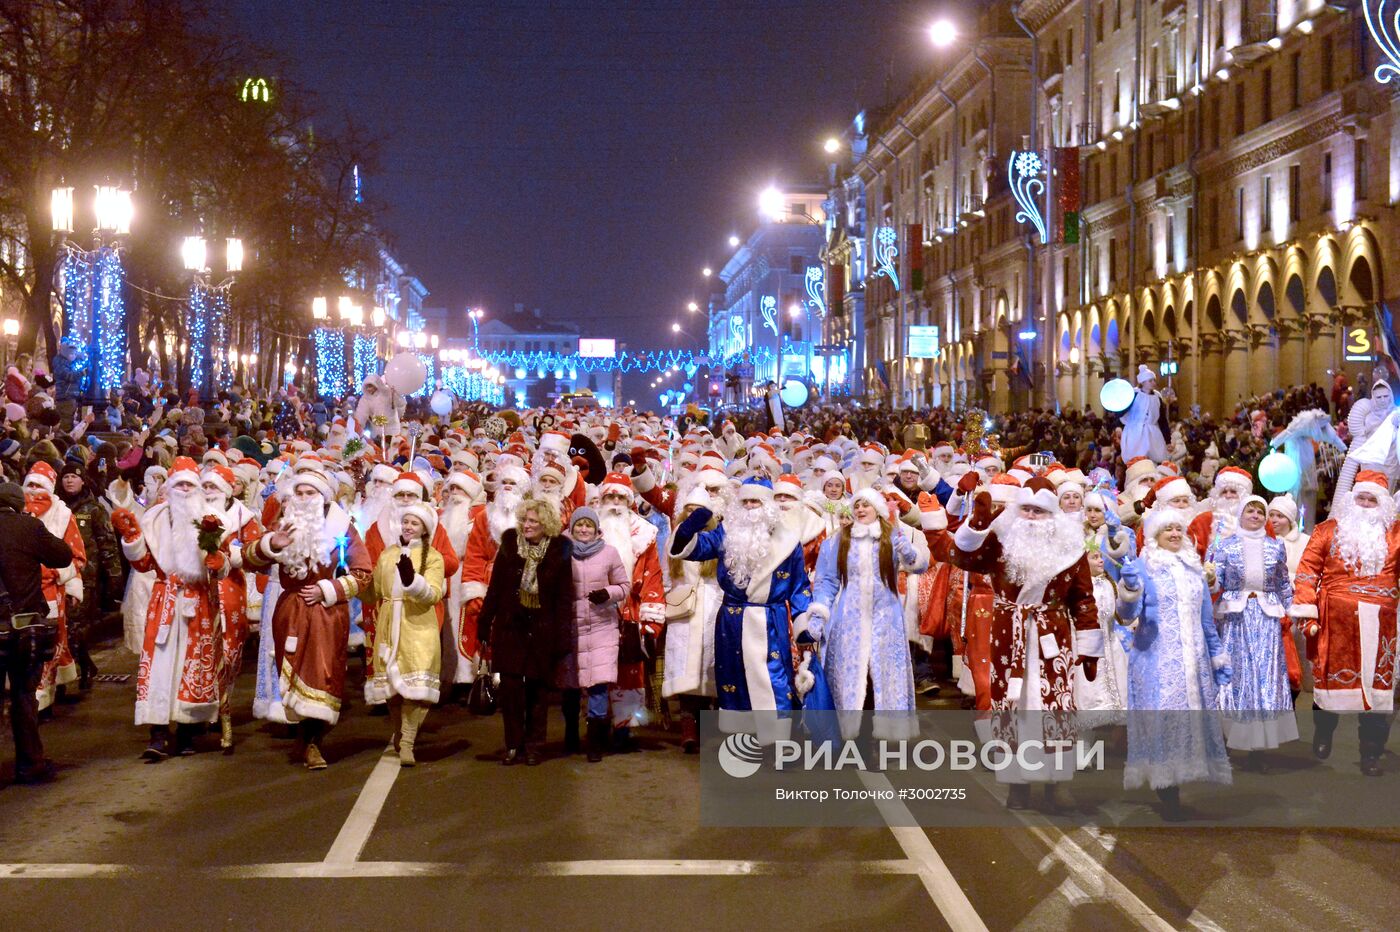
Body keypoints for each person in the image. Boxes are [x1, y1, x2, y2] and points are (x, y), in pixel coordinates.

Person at [942, 477, 1103, 809]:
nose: (1030, 516)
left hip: (1052, 635)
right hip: (1009, 634)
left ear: (1052, 514)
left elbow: (1084, 599)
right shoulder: (1000, 540)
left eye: (1038, 511)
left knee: (1055, 706)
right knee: (1010, 705)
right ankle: (1016, 783)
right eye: (1026, 509)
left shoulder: (1072, 547)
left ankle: (1056, 783)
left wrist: (1089, 646)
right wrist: (977, 525)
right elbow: (961, 557)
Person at [240, 464, 372, 770]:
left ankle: (313, 742)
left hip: (327, 614)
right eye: (298, 492)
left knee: (321, 676)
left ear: (323, 497)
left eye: (310, 492)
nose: (303, 497)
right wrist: (271, 545)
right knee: (291, 674)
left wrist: (329, 589)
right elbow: (249, 560)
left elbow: (363, 573)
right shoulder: (283, 525)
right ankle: (303, 736)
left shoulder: (343, 527)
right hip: (289, 611)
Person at [670, 477, 813, 745]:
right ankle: (744, 741)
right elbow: (692, 549)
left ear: (768, 505)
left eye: (755, 501)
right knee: (734, 678)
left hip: (769, 621)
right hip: (732, 620)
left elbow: (799, 587)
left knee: (774, 679)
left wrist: (804, 626)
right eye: (745, 501)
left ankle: (776, 742)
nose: (749, 507)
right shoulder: (726, 533)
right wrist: (691, 525)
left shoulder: (789, 541)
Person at [1116, 508, 1233, 821]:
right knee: (1165, 721)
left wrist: (1217, 654)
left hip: (1193, 661)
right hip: (1156, 660)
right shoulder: (1144, 568)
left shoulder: (1194, 570)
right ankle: (1167, 788)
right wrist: (1129, 590)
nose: (1174, 534)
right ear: (1155, 535)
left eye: (1178, 529)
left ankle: (1177, 779)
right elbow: (1126, 616)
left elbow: (1206, 619)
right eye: (1168, 529)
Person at [111, 457, 229, 759]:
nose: (185, 489)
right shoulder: (154, 519)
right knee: (160, 666)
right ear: (171, 488)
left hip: (198, 602)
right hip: (164, 601)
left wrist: (219, 562)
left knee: (192, 664)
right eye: (180, 485)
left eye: (190, 484)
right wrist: (132, 539)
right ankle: (159, 733)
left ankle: (188, 730)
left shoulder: (211, 519)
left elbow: (222, 564)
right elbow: (144, 564)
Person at [1289, 470, 1399, 776]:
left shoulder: (1396, 534)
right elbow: (1307, 571)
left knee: (1377, 691)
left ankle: (1371, 753)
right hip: (1335, 622)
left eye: (1372, 500)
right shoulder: (1327, 530)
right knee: (1330, 683)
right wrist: (1307, 611)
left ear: (1383, 504)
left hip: (1382, 625)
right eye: (1361, 498)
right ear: (1351, 500)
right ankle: (1324, 731)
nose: (1366, 505)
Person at [801, 487, 927, 739]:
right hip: (850, 621)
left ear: (877, 509)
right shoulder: (838, 541)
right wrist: (818, 615)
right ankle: (851, 736)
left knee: (882, 679)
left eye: (865, 505)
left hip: (886, 621)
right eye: (856, 505)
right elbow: (826, 582)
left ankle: (885, 736)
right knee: (851, 680)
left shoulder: (891, 537)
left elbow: (919, 567)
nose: (860, 509)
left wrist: (906, 549)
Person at [478, 494, 573, 766]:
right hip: (511, 628)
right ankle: (513, 745)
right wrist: (484, 622)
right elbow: (495, 589)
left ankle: (534, 746)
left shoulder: (559, 552)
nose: (527, 525)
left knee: (537, 692)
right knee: (510, 690)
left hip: (542, 632)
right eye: (525, 520)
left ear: (546, 525)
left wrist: (563, 637)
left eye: (533, 521)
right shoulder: (509, 546)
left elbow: (564, 599)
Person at [1207, 496, 1297, 767]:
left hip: (1267, 617)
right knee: (1235, 675)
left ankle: (1259, 745)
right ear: (1241, 514)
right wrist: (1210, 578)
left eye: (1260, 512)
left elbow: (1283, 583)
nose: (1256, 516)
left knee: (1264, 676)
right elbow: (1216, 582)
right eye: (1251, 511)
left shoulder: (1276, 546)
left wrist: (1293, 610)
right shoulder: (1225, 545)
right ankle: (1227, 739)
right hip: (1236, 616)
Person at [0, 482, 74, 783]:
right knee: (23, 695)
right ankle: (30, 764)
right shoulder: (28, 527)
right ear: (18, 504)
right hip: (22, 627)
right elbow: (63, 556)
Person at [365, 499, 445, 767]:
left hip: (417, 626)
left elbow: (433, 594)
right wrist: (351, 581)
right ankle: (399, 732)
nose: (409, 527)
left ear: (425, 528)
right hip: (389, 624)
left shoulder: (433, 557)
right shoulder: (388, 554)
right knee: (392, 688)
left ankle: (408, 742)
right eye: (406, 522)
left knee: (413, 689)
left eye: (415, 523)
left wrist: (413, 581)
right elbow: (374, 592)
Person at [201, 463, 264, 753]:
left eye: (214, 486)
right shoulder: (193, 513)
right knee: (203, 649)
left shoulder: (244, 518)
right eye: (205, 486)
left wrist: (231, 555)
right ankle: (203, 706)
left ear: (227, 490)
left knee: (229, 652)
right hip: (200, 589)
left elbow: (255, 554)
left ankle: (222, 704)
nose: (208, 491)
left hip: (231, 589)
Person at [558, 507, 628, 762]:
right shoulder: (562, 552)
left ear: (597, 529)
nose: (584, 529)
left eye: (588, 525)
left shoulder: (609, 552)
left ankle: (595, 741)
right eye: (579, 525)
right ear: (572, 528)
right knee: (570, 684)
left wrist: (608, 593)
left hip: (602, 626)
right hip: (571, 627)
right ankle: (570, 733)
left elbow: (624, 586)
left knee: (598, 683)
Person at [660, 487, 723, 752]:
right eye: (689, 509)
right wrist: (669, 598)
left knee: (709, 669)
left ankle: (706, 728)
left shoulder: (717, 539)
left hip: (712, 609)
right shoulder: (676, 537)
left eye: (699, 510)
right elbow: (666, 575)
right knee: (685, 669)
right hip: (684, 611)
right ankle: (688, 728)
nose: (693, 513)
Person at [23, 462, 87, 712]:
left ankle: (43, 698)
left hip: (50, 588)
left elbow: (76, 555)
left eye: (39, 486)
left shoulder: (62, 514)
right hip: (19, 589)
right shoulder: (16, 510)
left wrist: (58, 575)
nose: (34, 491)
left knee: (49, 643)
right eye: (30, 485)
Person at [56, 461, 120, 691]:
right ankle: (82, 666)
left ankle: (78, 670)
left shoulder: (94, 509)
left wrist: (114, 576)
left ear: (83, 480)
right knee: (62, 627)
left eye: (74, 476)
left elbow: (107, 544)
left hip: (86, 577)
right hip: (60, 576)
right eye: (66, 477)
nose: (69, 480)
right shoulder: (56, 507)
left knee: (75, 628)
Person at [1120, 364, 1171, 462]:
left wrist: (1167, 439)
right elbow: (1122, 411)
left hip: (1153, 434)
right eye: (1150, 381)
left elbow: (1162, 420)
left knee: (1155, 459)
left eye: (1154, 380)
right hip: (1135, 433)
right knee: (1136, 459)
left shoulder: (1157, 397)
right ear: (1143, 382)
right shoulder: (1134, 395)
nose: (1153, 383)